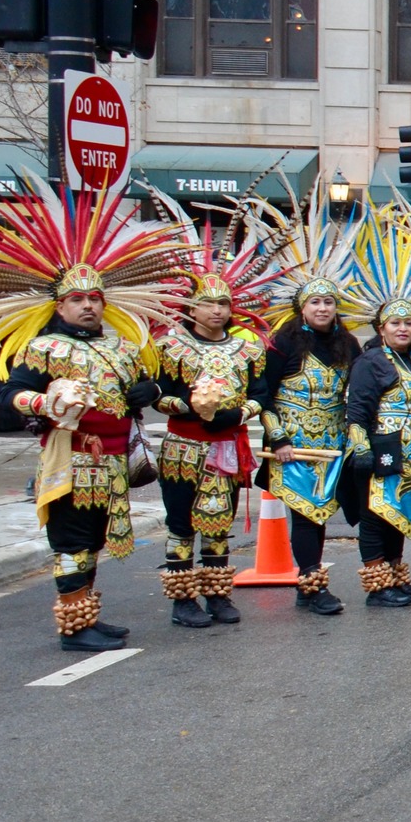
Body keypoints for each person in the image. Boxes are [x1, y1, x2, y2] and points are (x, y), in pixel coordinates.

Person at [0, 182, 177, 652]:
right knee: (72, 541)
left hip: (115, 461)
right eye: (77, 299)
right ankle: (74, 628)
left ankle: (86, 616)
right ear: (59, 306)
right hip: (72, 463)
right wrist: (47, 404)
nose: (88, 305)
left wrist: (151, 388)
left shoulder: (120, 346)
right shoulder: (43, 348)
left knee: (93, 541)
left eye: (95, 298)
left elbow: (149, 391)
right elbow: (9, 397)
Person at [151, 269, 269, 628]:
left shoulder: (247, 348)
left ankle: (217, 593)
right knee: (181, 524)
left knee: (218, 524)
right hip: (184, 448)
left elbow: (261, 394)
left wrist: (237, 413)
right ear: (192, 308)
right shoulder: (170, 346)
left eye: (223, 303)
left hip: (226, 447)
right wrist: (191, 407)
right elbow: (157, 394)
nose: (217, 311)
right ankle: (183, 599)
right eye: (208, 303)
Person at [255, 278, 363, 616]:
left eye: (328, 303)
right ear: (302, 307)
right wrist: (278, 439)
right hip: (293, 448)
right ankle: (311, 583)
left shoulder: (348, 344)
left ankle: (309, 586)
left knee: (321, 516)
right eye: (315, 302)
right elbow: (262, 396)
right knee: (305, 516)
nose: (322, 309)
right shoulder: (282, 343)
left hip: (332, 446)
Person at [345, 294, 411, 607]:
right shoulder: (371, 362)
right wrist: (361, 448)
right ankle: (377, 585)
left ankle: (395, 576)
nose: (403, 329)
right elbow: (357, 409)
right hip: (381, 450)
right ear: (381, 328)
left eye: (409, 323)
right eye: (395, 323)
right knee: (374, 516)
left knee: (397, 513)